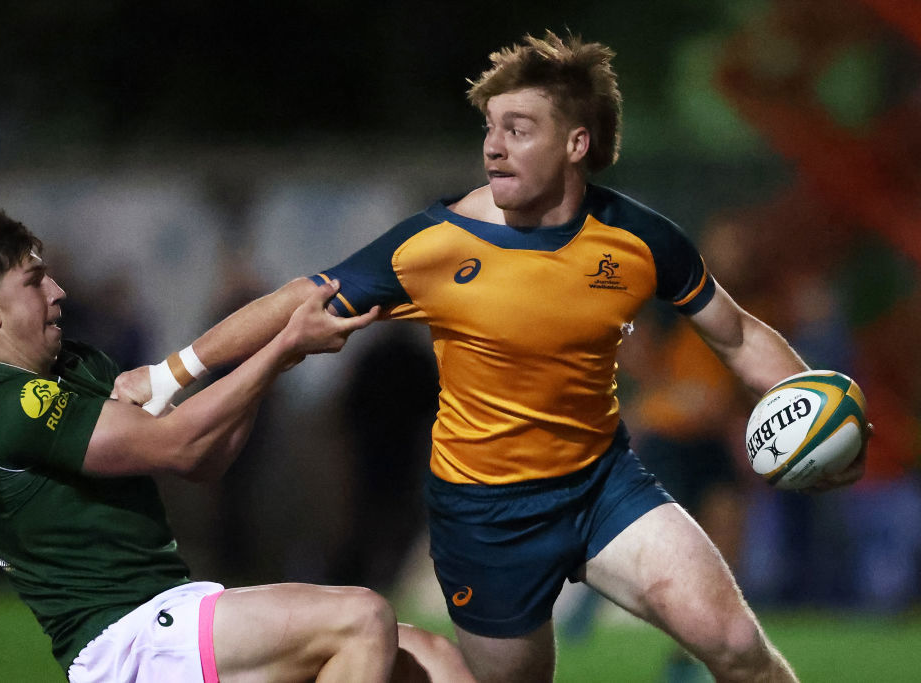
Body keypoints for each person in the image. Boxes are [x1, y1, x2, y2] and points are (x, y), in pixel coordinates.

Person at [115, 31, 871, 682]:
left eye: (517, 127)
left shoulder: (641, 238)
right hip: (485, 516)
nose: (492, 145)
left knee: (736, 641)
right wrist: (166, 374)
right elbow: (296, 297)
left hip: (604, 486)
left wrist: (812, 407)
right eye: (490, 127)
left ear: (577, 143)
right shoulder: (436, 244)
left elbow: (735, 334)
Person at [0, 212, 476, 683]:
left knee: (434, 661)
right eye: (34, 280)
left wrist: (266, 362)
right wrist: (282, 350)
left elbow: (207, 460)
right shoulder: (3, 403)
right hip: (124, 644)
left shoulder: (77, 366)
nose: (58, 291)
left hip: (174, 612)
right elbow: (181, 444)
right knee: (361, 616)